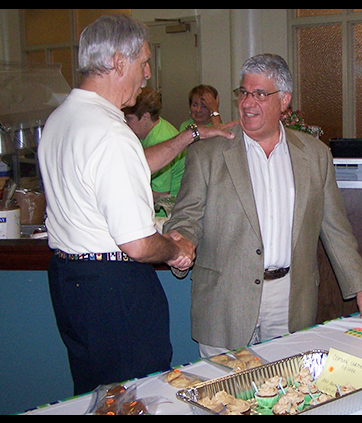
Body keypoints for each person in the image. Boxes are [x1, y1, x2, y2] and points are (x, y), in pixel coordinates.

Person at [37, 14, 234, 395]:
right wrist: (176, 248)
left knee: (97, 395)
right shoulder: (112, 133)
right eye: (143, 63)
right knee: (137, 396)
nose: (147, 75)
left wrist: (190, 136)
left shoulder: (64, 118)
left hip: (71, 282)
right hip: (115, 291)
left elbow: (126, 169)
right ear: (117, 62)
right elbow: (139, 244)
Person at [163, 53, 362, 357]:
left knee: (286, 395)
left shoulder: (314, 155)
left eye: (260, 94)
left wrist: (361, 285)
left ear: (284, 101)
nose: (248, 103)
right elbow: (186, 217)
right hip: (225, 301)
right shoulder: (207, 153)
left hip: (290, 298)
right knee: (229, 400)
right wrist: (180, 242)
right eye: (244, 92)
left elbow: (335, 228)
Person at [123, 87, 180, 209]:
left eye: (129, 119)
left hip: (168, 210)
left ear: (145, 117)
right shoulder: (150, 130)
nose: (126, 123)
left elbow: (161, 195)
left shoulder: (160, 139)